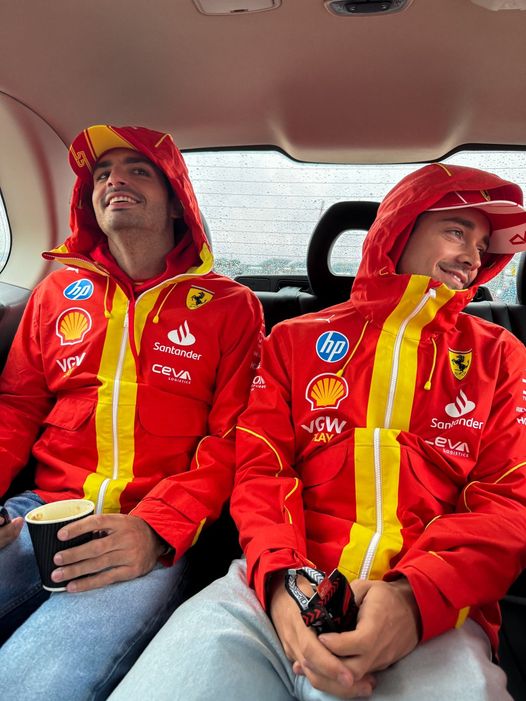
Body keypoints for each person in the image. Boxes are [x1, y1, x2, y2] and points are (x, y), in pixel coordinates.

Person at [110, 163, 526, 701]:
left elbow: (508, 500)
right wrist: (283, 586)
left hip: (434, 607)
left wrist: (415, 599)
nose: (472, 255)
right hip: (271, 589)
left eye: (482, 243)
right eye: (456, 231)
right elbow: (263, 470)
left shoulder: (500, 355)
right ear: (399, 231)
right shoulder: (293, 341)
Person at [0, 124, 263, 699]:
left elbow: (235, 439)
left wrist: (156, 530)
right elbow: (16, 408)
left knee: (30, 686)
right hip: (40, 510)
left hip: (150, 527)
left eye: (138, 170)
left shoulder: (230, 306)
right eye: (102, 174)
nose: (115, 179)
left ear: (177, 202)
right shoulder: (53, 294)